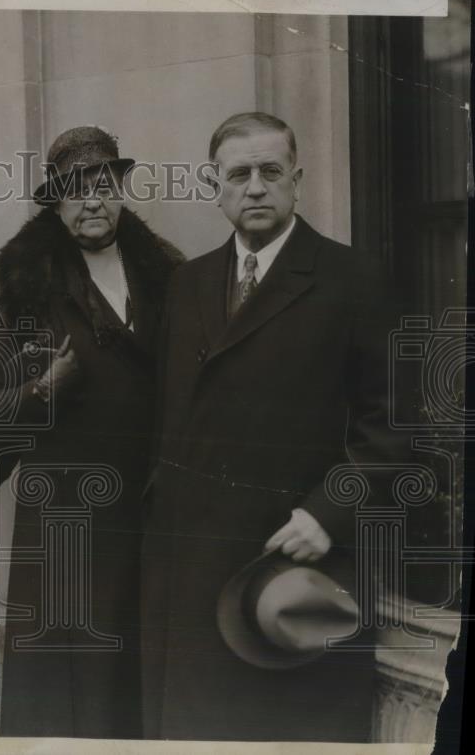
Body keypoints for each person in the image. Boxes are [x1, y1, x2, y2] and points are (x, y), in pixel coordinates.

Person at [139, 112, 400, 741]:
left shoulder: (354, 280)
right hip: (192, 570)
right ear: (216, 186)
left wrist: (328, 514)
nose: (255, 187)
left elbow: (394, 425)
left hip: (291, 563)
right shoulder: (187, 283)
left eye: (270, 171)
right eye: (239, 174)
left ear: (297, 180)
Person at [0, 125, 183, 738]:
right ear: (56, 201)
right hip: (66, 517)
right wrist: (46, 388)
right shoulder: (24, 283)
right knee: (69, 684)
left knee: (135, 671)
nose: (93, 201)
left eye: (105, 184)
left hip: (144, 508)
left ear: (121, 190)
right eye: (76, 189)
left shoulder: (166, 274)